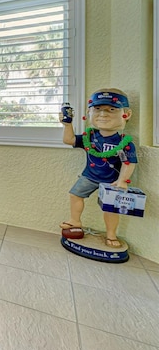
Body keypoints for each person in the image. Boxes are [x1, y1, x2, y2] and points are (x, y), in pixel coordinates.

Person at [59, 88, 137, 248]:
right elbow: (69, 140)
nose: (103, 114)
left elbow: (129, 163)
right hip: (89, 176)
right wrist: (67, 124)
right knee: (75, 195)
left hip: (112, 181)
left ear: (126, 114)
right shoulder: (90, 137)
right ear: (89, 112)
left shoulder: (124, 142)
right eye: (98, 109)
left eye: (111, 109)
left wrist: (122, 180)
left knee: (111, 208)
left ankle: (111, 234)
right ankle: (75, 221)